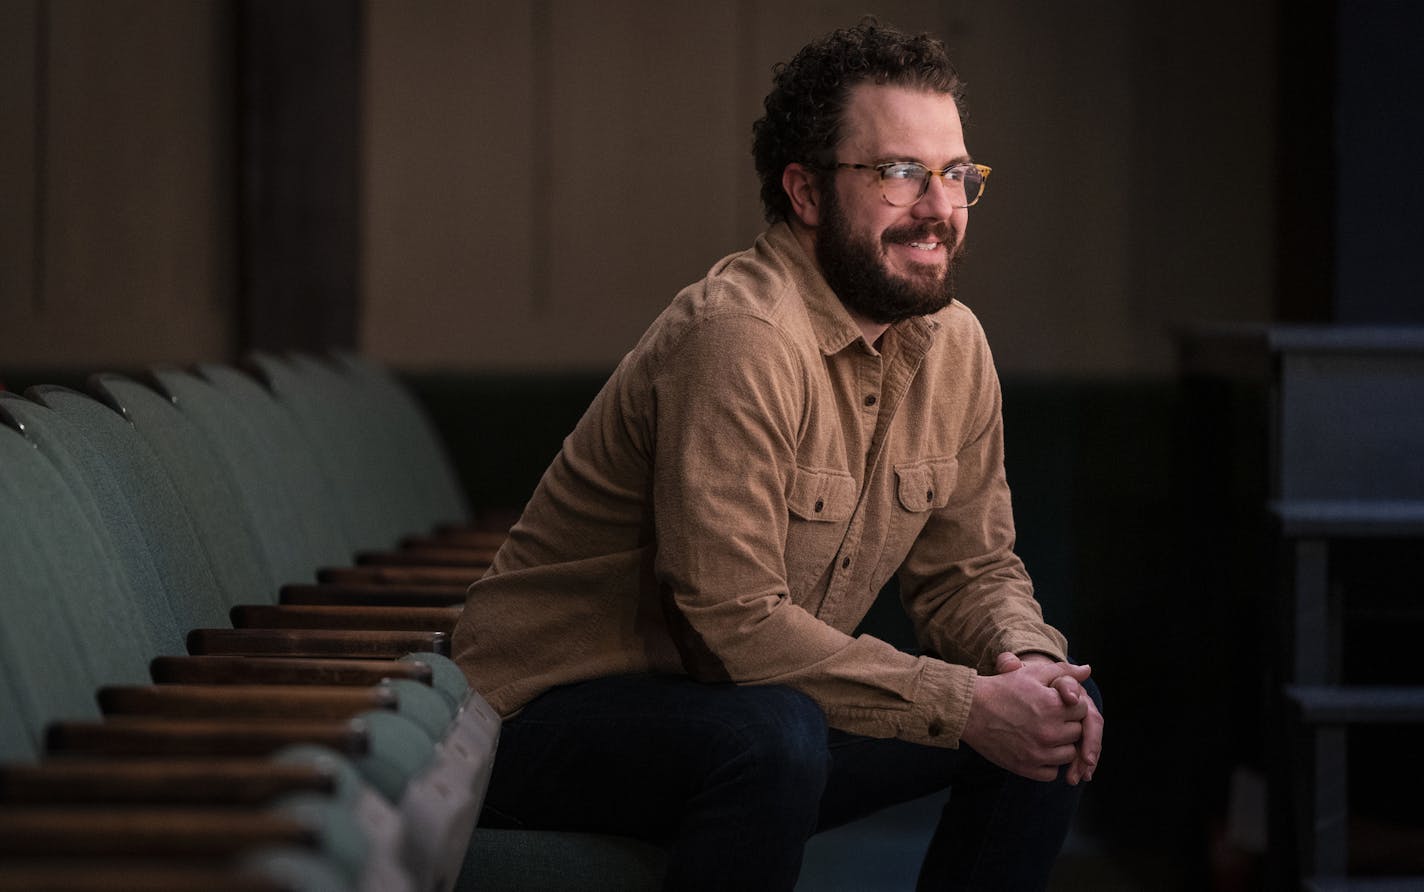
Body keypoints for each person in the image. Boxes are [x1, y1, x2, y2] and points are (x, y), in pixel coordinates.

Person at [452, 20, 1103, 891]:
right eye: (898, 173)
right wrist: (963, 704)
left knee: (1054, 721)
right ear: (804, 192)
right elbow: (733, 625)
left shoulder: (955, 347)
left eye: (955, 175)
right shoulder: (740, 335)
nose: (939, 208)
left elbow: (969, 570)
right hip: (539, 721)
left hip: (736, 712)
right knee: (777, 735)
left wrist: (1025, 664)